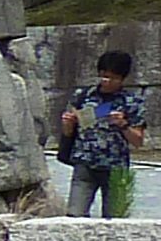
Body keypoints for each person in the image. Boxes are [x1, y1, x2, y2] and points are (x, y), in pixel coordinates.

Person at [59, 49, 148, 217]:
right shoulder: (82, 96)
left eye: (113, 78)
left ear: (122, 79)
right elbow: (68, 133)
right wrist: (68, 123)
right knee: (74, 215)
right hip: (85, 164)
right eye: (104, 76)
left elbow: (138, 141)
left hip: (115, 167)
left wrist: (123, 125)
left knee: (114, 219)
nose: (107, 81)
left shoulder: (132, 101)